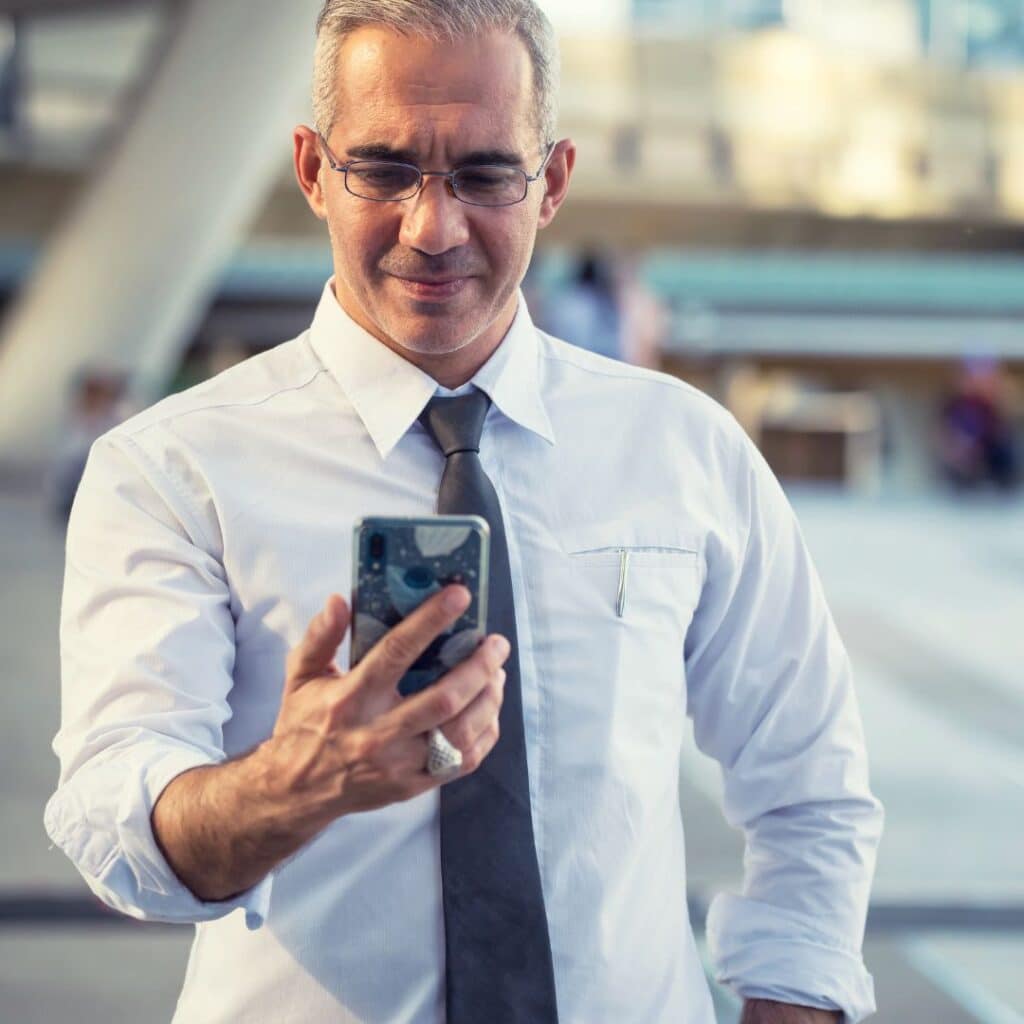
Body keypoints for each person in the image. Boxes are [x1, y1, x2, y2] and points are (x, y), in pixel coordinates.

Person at [45, 3, 883, 1023]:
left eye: (485, 174)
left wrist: (792, 1001)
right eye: (384, 168)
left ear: (552, 182)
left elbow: (809, 781)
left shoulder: (683, 449)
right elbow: (111, 818)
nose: (432, 228)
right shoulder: (172, 467)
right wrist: (294, 781)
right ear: (312, 170)